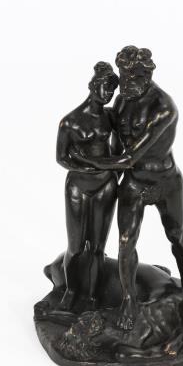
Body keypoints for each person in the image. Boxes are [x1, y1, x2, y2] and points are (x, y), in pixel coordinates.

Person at [73, 46, 183, 329]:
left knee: (176, 234)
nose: (124, 83)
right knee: (125, 241)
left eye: (131, 78)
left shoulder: (164, 107)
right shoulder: (121, 102)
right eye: (122, 76)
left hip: (165, 180)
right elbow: (117, 145)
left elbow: (130, 156)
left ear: (147, 76)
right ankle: (129, 300)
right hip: (134, 181)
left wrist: (86, 161)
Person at [56, 62, 129, 311]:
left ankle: (91, 296)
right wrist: (92, 166)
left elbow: (119, 147)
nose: (107, 94)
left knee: (97, 247)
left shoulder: (110, 118)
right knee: (76, 246)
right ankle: (71, 291)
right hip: (78, 186)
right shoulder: (70, 122)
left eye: (111, 90)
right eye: (104, 87)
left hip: (105, 186)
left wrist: (113, 170)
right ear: (92, 85)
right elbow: (62, 158)